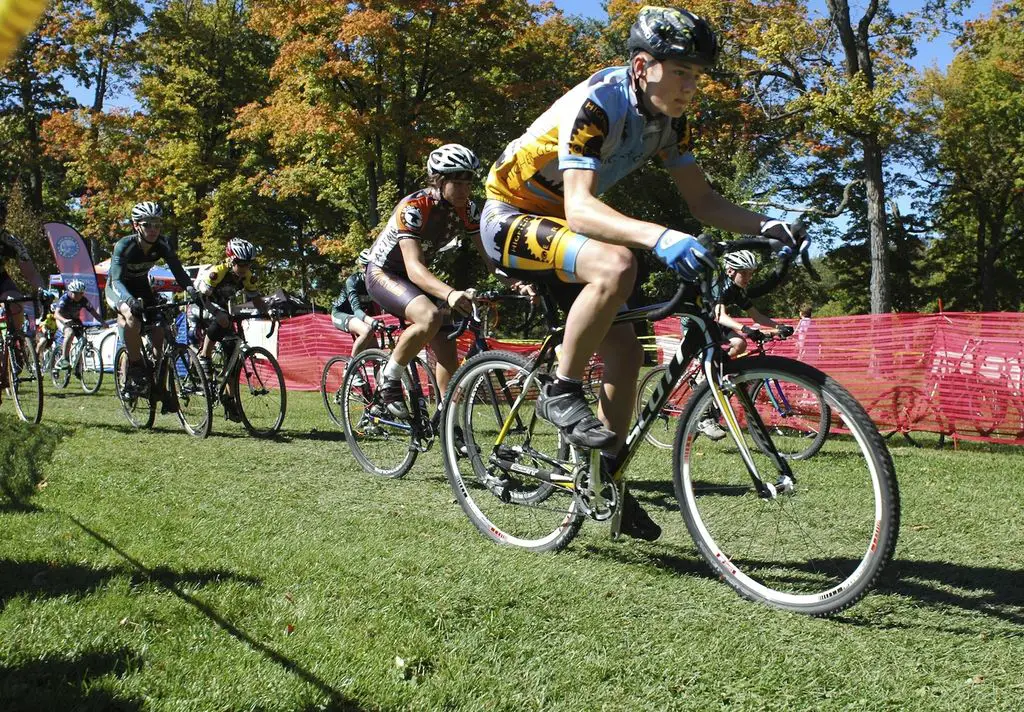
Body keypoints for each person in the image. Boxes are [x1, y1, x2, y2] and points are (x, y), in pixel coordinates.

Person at [480, 6, 804, 540]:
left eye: (697, 75)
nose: (689, 86)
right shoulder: (599, 102)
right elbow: (582, 209)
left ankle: (604, 479)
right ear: (641, 66)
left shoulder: (673, 123)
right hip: (509, 215)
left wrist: (769, 223)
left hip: (561, 225)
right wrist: (660, 235)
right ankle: (560, 390)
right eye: (680, 71)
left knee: (629, 350)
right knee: (620, 261)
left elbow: (702, 200)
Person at [363, 143, 485, 420]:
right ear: (439, 181)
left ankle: (448, 421)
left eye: (470, 182)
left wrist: (518, 281)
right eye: (458, 182)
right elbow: (415, 268)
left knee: (447, 346)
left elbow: (490, 256)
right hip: (386, 273)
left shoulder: (468, 209)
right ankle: (389, 378)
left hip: (418, 280)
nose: (466, 190)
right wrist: (451, 293)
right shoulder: (414, 207)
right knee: (429, 316)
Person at [694, 249, 794, 440]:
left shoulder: (736, 290)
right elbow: (720, 315)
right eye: (745, 273)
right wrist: (746, 329)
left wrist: (779, 326)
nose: (749, 277)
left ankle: (718, 372)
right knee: (726, 349)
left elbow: (756, 316)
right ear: (731, 270)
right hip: (696, 325)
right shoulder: (719, 286)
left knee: (739, 345)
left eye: (751, 273)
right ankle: (704, 409)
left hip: (714, 324)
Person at [105, 201, 196, 405]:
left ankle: (157, 384)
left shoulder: (162, 244)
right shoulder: (125, 245)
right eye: (147, 224)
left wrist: (190, 289)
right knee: (131, 317)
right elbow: (117, 280)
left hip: (141, 286)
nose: (153, 230)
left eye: (157, 224)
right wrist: (128, 300)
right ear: (136, 225)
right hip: (118, 289)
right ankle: (136, 367)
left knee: (159, 330)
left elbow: (178, 271)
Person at [191, 238, 269, 420]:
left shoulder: (248, 276)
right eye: (240, 263)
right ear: (231, 259)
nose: (244, 268)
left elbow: (256, 298)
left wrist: (267, 312)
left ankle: (229, 398)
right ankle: (204, 356)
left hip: (220, 309)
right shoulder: (217, 272)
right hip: (200, 305)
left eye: (248, 263)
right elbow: (203, 298)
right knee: (221, 320)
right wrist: (216, 313)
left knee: (232, 354)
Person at [1, 202, 46, 336]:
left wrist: (42, 291)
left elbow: (31, 273)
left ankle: (16, 338)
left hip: (1, 279)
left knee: (16, 302)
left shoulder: (10, 241)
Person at [330, 249, 380, 370]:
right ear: (363, 268)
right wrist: (373, 322)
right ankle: (350, 368)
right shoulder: (352, 281)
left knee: (378, 359)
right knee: (367, 329)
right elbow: (357, 311)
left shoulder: (376, 283)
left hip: (359, 317)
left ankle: (382, 388)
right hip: (340, 314)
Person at [52, 279, 102, 369]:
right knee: (70, 333)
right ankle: (64, 359)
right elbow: (56, 314)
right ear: (71, 292)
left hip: (75, 320)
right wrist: (64, 320)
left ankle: (78, 367)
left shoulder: (83, 300)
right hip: (62, 319)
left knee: (82, 340)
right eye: (76, 293)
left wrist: (103, 322)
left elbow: (94, 312)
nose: (79, 296)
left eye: (81, 293)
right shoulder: (65, 299)